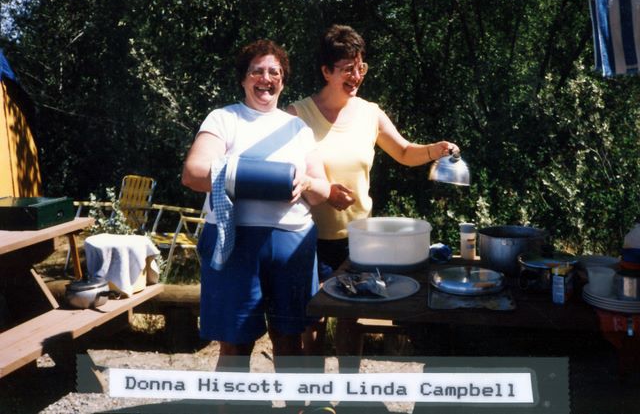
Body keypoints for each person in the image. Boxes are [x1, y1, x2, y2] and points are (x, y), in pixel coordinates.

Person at [288, 24, 458, 363]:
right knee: (313, 321)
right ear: (326, 71)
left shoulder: (370, 113)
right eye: (347, 69)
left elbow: (405, 152)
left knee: (352, 317)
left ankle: (349, 390)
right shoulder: (296, 114)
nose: (356, 76)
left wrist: (434, 150)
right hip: (307, 236)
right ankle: (315, 391)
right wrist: (321, 189)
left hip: (358, 239)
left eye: (361, 67)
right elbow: (285, 173)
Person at [182, 39, 330, 373]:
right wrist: (252, 177)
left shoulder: (298, 129)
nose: (266, 79)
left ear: (283, 81)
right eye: (257, 71)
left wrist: (306, 182)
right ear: (243, 78)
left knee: (290, 340)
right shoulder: (224, 119)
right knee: (235, 343)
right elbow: (193, 173)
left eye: (274, 72)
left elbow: (322, 190)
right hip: (234, 242)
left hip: (291, 242)